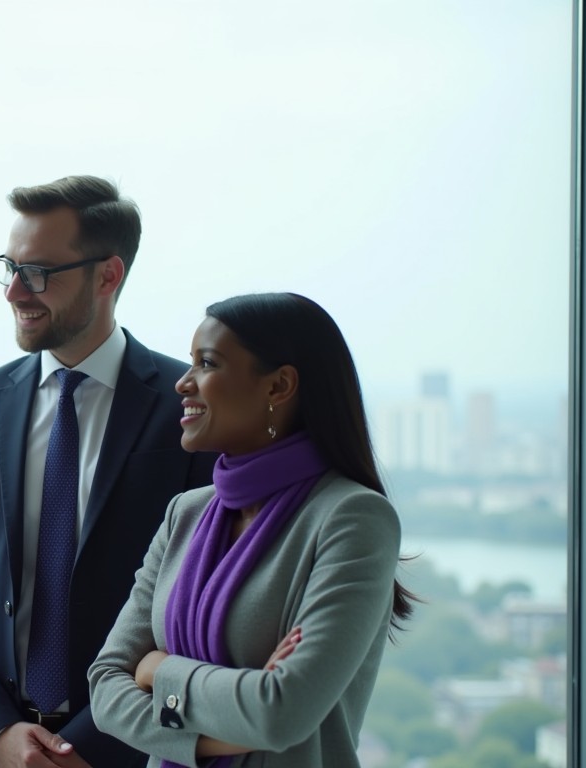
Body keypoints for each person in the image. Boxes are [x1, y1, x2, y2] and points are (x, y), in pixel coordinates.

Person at [0, 175, 215, 767]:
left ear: (107, 276)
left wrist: (85, 748)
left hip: (127, 750)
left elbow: (196, 602)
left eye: (38, 272)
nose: (14, 292)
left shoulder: (187, 405)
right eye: (9, 268)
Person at [88, 292, 415, 768]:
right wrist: (212, 740)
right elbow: (105, 687)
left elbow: (281, 712)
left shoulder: (353, 518)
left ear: (279, 386)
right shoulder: (185, 514)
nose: (183, 383)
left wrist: (159, 669)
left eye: (207, 363)